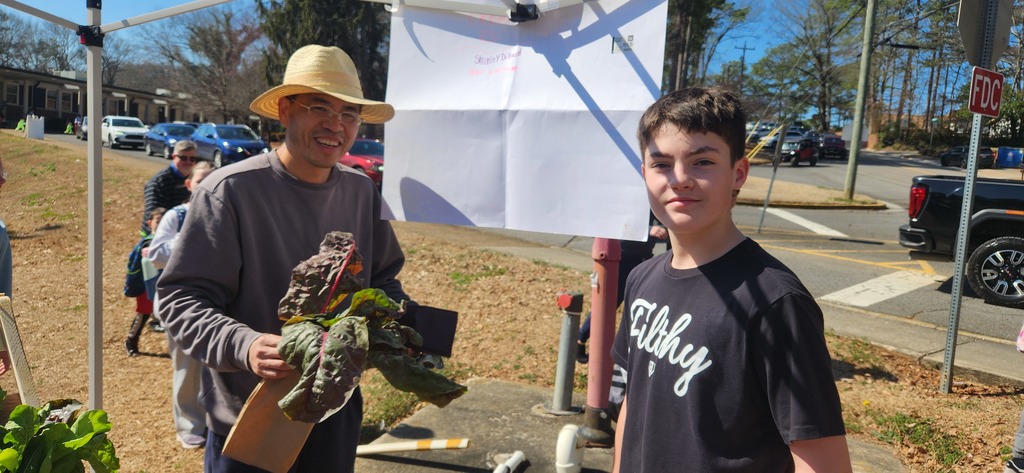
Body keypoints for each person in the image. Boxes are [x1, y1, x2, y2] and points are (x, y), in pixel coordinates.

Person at [158, 44, 411, 472]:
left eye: (349, 113)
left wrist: (397, 328)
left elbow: (384, 281)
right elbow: (181, 299)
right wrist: (246, 344)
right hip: (252, 417)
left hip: (335, 411)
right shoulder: (230, 192)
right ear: (285, 111)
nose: (336, 125)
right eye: (319, 107)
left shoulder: (361, 191)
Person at [610, 87, 851, 472]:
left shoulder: (776, 302)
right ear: (644, 174)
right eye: (661, 164)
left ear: (737, 173)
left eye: (702, 161)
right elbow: (634, 404)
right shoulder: (642, 279)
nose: (680, 179)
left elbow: (822, 461)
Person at [147, 157, 213, 450]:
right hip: (181, 304)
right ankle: (189, 424)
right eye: (201, 181)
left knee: (217, 365)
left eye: (212, 181)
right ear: (189, 184)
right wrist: (190, 237)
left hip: (217, 303)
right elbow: (157, 254)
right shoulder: (177, 216)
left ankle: (214, 420)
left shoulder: (225, 215)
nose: (206, 187)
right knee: (187, 366)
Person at [576, 213, 667, 364]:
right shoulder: (628, 197)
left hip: (642, 258)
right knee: (609, 304)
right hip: (621, 257)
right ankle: (581, 338)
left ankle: (630, 351)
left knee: (641, 306)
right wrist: (648, 230)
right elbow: (613, 223)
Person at [141, 141, 198, 333]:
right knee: (150, 291)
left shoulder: (194, 180)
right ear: (173, 157)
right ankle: (135, 336)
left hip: (182, 241)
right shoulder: (159, 181)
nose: (188, 162)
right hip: (157, 239)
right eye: (183, 157)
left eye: (192, 158)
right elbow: (153, 216)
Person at [124, 207, 165, 356]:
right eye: (158, 222)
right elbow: (136, 266)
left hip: (163, 284)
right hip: (146, 285)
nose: (161, 225)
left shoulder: (170, 240)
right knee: (143, 314)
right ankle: (131, 341)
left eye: (164, 222)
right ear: (149, 223)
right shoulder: (147, 243)